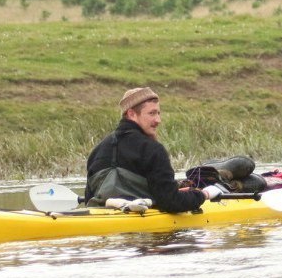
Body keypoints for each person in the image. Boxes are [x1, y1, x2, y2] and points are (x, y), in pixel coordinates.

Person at [85, 87, 221, 212]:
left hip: (101, 220)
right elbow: (171, 202)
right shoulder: (153, 149)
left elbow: (88, 199)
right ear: (131, 114)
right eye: (152, 113)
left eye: (158, 113)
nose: (158, 120)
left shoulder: (97, 151)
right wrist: (202, 195)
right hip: (140, 229)